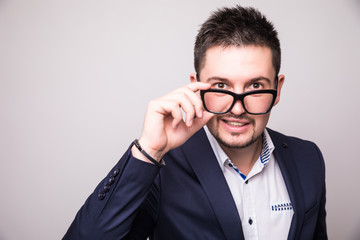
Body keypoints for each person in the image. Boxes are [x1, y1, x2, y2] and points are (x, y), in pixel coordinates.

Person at [63, 5, 327, 240]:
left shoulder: (309, 159)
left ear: (277, 89)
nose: (236, 108)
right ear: (196, 87)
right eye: (221, 85)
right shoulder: (162, 169)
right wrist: (148, 150)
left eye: (256, 86)